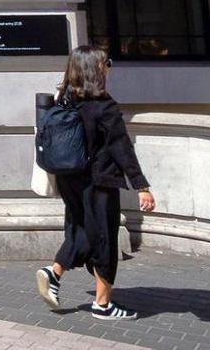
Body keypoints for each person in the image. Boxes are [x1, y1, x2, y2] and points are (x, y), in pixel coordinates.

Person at [35, 45, 156, 321]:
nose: (108, 67)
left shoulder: (63, 98)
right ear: (95, 69)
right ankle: (103, 304)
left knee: (81, 229)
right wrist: (141, 186)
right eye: (106, 63)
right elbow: (121, 148)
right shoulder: (104, 106)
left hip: (69, 178)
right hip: (99, 181)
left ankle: (53, 272)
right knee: (104, 238)